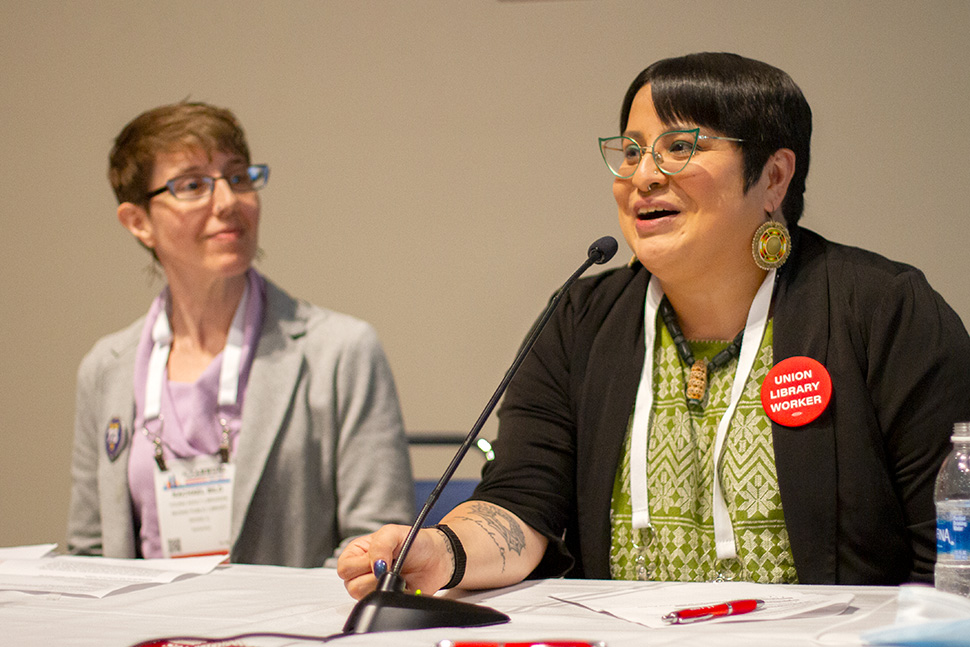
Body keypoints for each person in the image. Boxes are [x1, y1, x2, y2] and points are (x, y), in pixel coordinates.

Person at [338, 52, 970, 597]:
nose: (642, 176)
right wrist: (444, 552)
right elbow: (519, 503)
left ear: (774, 176)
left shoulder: (884, 311)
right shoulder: (580, 320)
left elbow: (950, 549)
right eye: (633, 151)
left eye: (680, 147)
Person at [67, 101, 415, 567]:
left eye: (238, 178)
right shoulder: (106, 368)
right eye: (192, 185)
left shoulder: (340, 352)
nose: (228, 202)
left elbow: (376, 551)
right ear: (138, 222)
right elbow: (88, 556)